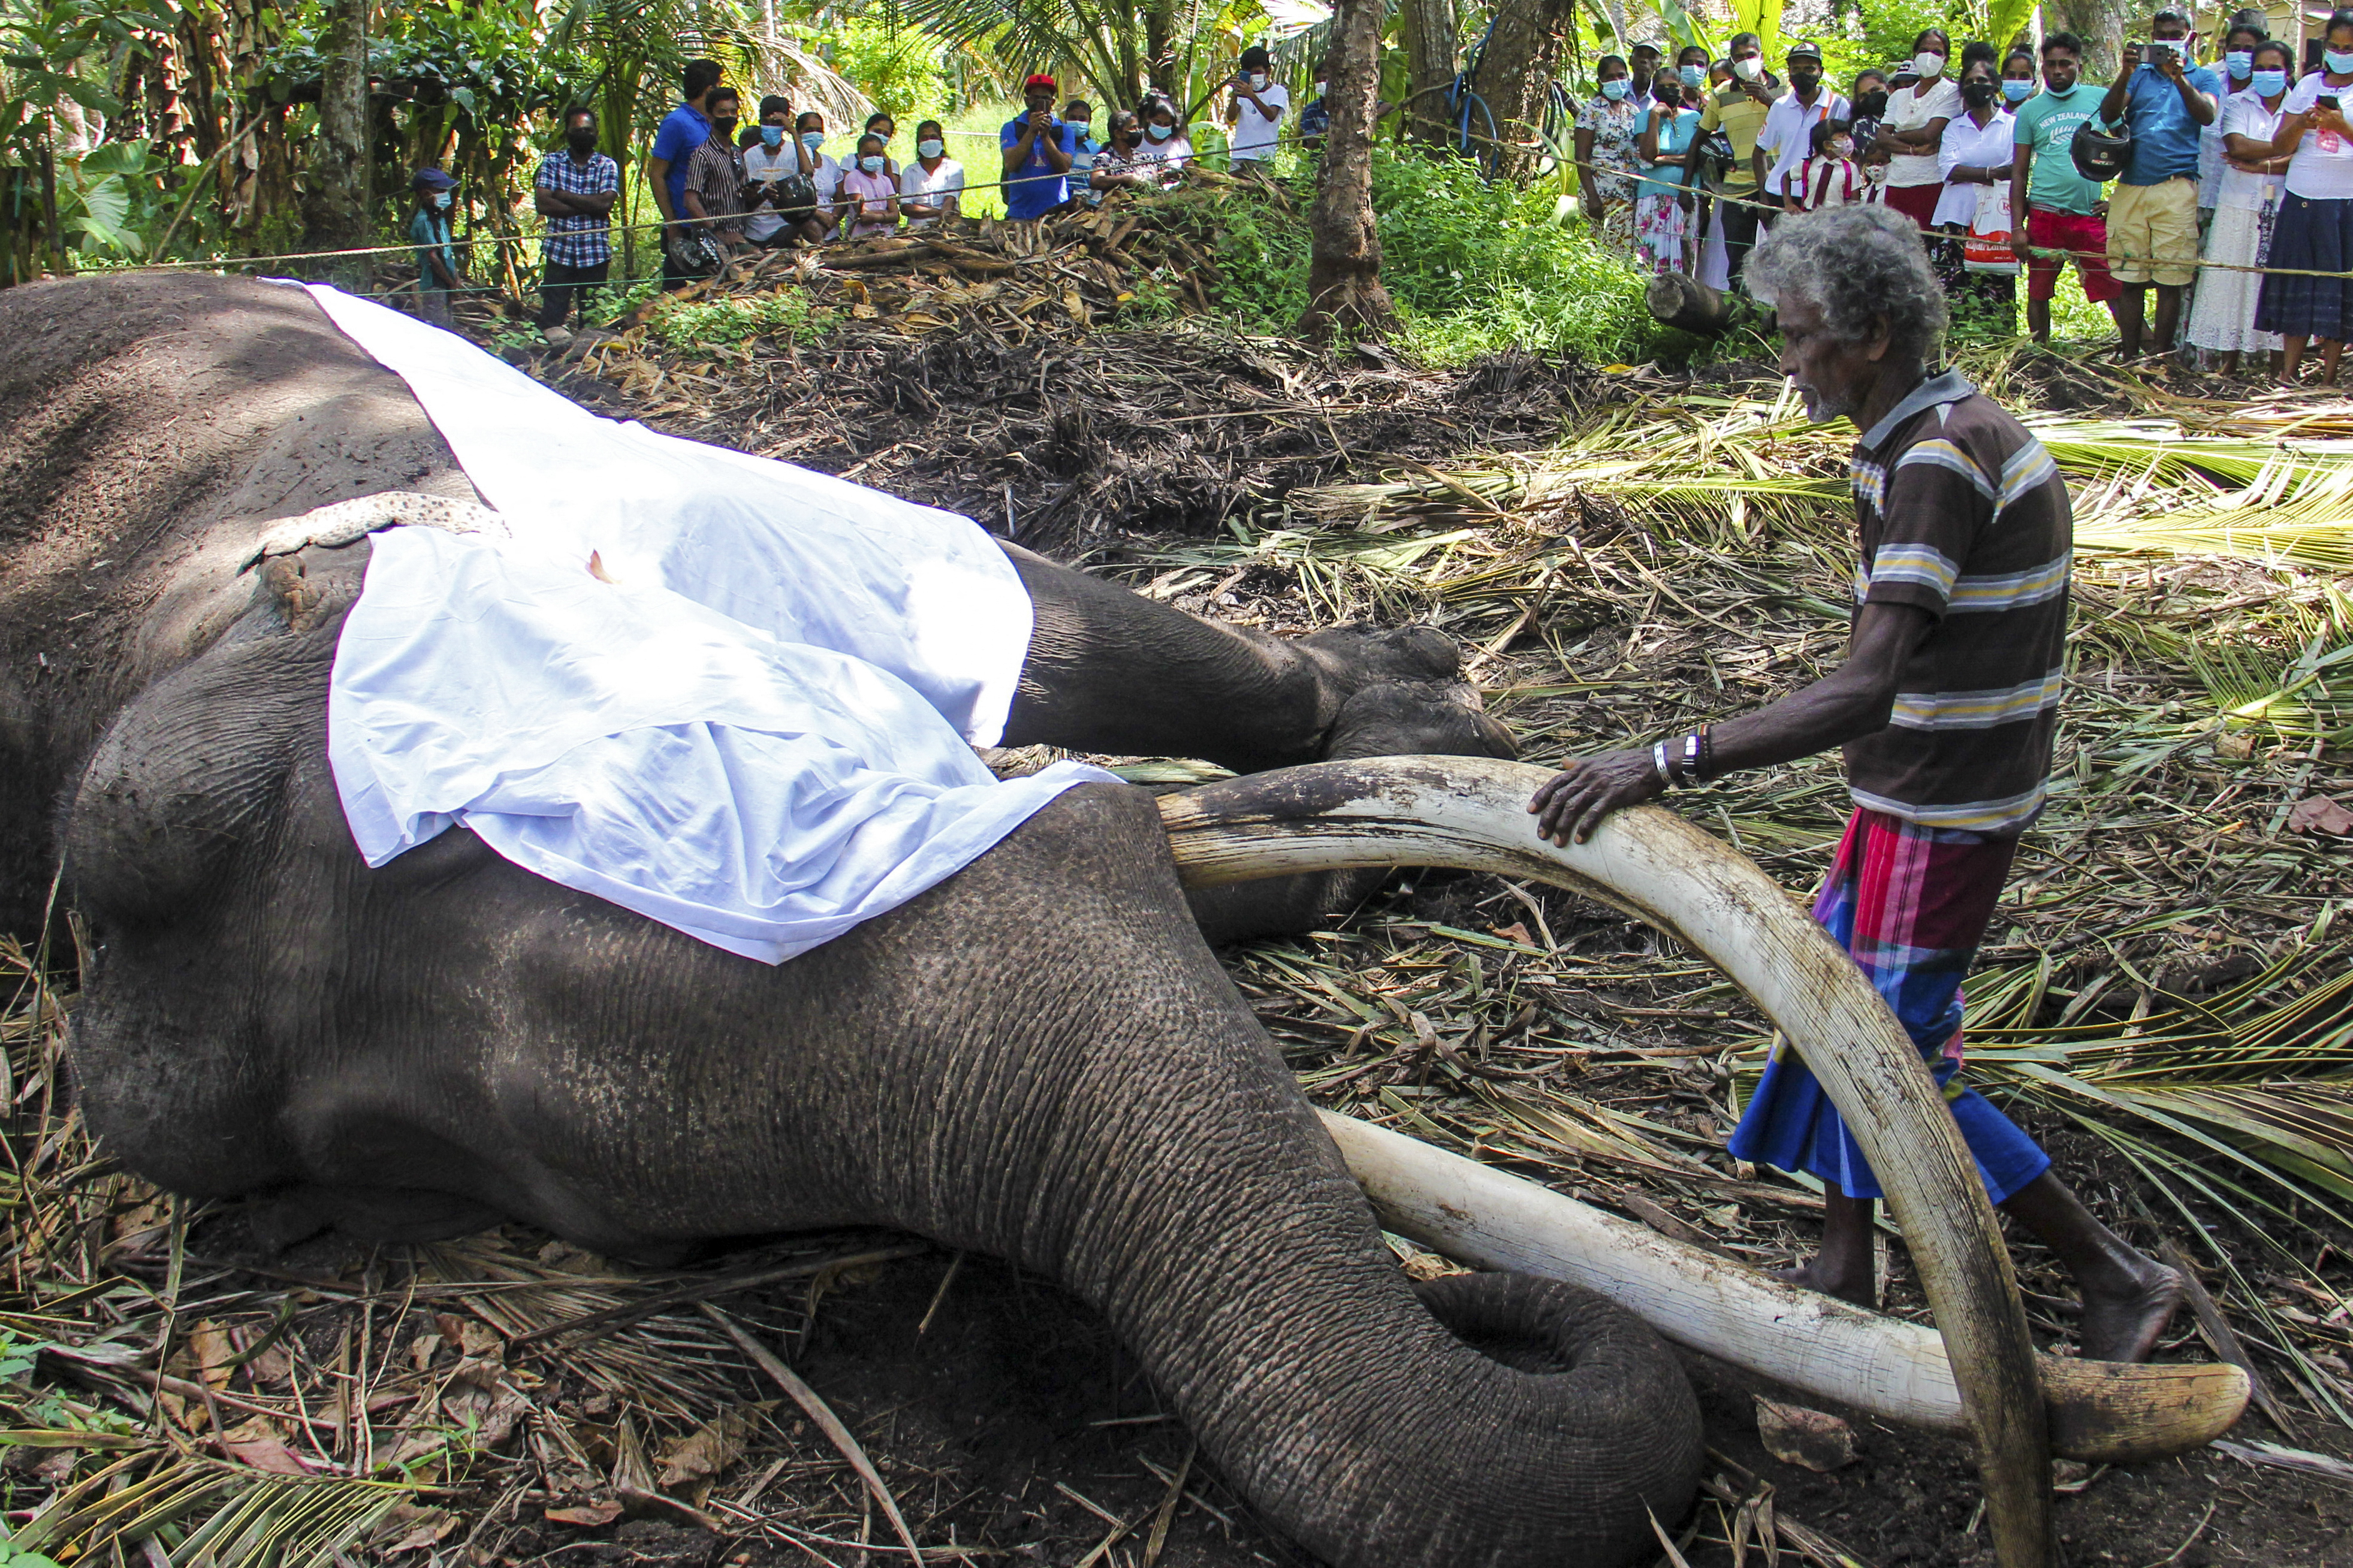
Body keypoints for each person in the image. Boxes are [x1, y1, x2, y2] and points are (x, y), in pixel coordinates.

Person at [1531, 204, 2188, 1367]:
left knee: (1891, 1063)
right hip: (1921, 791)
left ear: (1873, 333)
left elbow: (1866, 685)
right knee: (1831, 1007)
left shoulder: (1936, 461)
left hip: (1942, 805)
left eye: (1797, 338)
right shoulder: (1929, 431)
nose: (1785, 362)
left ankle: (2119, 1273)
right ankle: (1846, 1260)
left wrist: (1667, 760)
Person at [2098, 8, 2223, 359]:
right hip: (2131, 184)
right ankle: (2130, 356)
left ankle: (2162, 358)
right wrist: (2125, 73)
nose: (2167, 40)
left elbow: (2207, 115)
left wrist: (2180, 78)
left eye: (2175, 33)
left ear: (2190, 37)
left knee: (2172, 279)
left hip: (2177, 186)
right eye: (2161, 33)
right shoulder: (2138, 75)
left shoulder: (2204, 77)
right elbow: (2109, 114)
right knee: (2129, 276)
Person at [2252, 9, 2353, 382]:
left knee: (2336, 290)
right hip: (2300, 195)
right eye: (2336, 46)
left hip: (2345, 203)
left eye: (2350, 48)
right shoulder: (2309, 85)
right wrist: (2304, 124)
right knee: (2296, 282)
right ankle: (2288, 374)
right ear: (2325, 46)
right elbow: (2278, 144)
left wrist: (2341, 126)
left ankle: (2327, 378)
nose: (2342, 53)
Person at [2010, 32, 2123, 344]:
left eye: (2065, 64)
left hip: (2087, 215)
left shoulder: (2100, 99)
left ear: (2079, 65)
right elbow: (2019, 172)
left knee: (2113, 285)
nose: (2057, 71)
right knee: (2039, 290)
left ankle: (2137, 352)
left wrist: (2118, 200)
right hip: (2046, 213)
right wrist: (2017, 227)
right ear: (2042, 68)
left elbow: (2127, 148)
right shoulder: (2030, 111)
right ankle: (2040, 354)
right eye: (2051, 65)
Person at [2189, 38, 2290, 374]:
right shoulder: (2235, 103)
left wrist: (2265, 164)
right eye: (2260, 68)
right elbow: (2237, 146)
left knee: (2273, 282)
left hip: (2283, 208)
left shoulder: (2300, 108)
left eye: (2274, 68)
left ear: (2288, 72)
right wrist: (2282, 151)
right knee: (2232, 282)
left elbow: (2302, 153)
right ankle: (2228, 363)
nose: (2266, 74)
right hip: (2235, 205)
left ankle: (2277, 366)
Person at [1937, 55, 2023, 336]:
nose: (1976, 86)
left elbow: (2015, 169)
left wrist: (1972, 172)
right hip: (1955, 217)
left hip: (1996, 220)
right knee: (1953, 287)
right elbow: (1948, 170)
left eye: (1982, 81)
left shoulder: (2012, 125)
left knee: (1996, 287)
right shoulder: (1954, 127)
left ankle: (1998, 345)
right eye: (1970, 82)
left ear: (1996, 86)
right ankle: (1955, 348)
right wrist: (1990, 173)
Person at [532, 105, 619, 346]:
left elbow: (604, 204)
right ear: (568, 132)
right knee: (551, 319)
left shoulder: (607, 165)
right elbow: (543, 204)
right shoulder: (552, 162)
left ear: (596, 133)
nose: (583, 134)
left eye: (588, 130)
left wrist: (561, 194)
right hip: (560, 250)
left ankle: (585, 366)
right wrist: (588, 205)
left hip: (595, 254)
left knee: (591, 320)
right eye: (577, 130)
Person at [1699, 32, 1779, 284]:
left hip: (1777, 186)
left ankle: (1781, 319)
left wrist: (1770, 100)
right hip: (1736, 189)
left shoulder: (1785, 88)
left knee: (1785, 256)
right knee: (1737, 261)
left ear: (1762, 57)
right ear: (1732, 62)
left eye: (1751, 56)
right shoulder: (1722, 92)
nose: (1746, 61)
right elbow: (1701, 135)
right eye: (1739, 57)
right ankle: (1741, 320)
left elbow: (1798, 129)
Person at [645, 59, 725, 289]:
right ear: (710, 90)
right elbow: (657, 174)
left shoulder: (712, 123)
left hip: (713, 224)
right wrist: (672, 223)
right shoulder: (677, 123)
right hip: (686, 227)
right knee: (677, 292)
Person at [1877, 28, 1961, 229]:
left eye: (1937, 52)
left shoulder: (1951, 92)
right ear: (1915, 55)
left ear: (1946, 59)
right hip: (1897, 182)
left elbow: (1929, 134)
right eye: (1924, 51)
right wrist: (1912, 149)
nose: (1929, 57)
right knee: (1896, 247)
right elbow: (1881, 137)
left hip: (1932, 182)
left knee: (1927, 245)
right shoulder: (1899, 96)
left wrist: (1896, 136)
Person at [1763, 42, 1850, 213]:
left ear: (1821, 72)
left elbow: (1848, 151)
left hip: (1821, 196)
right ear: (1789, 72)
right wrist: (1763, 196)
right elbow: (1760, 149)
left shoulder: (1838, 105)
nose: (1802, 74)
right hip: (1780, 194)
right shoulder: (1780, 106)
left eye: (1809, 69)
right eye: (1796, 69)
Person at [2200, 16, 2268, 227]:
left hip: (2242, 197)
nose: (2241, 54)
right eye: (2236, 48)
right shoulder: (2207, 78)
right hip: (2197, 192)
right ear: (2225, 50)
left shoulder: (2269, 91)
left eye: (2249, 49)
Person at [1635, 72, 1701, 274]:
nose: (1668, 91)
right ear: (1654, 91)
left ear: (1682, 88)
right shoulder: (1644, 117)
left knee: (1686, 254)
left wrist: (1662, 160)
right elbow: (1648, 154)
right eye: (1662, 87)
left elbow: (1698, 157)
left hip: (1687, 195)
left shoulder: (1694, 118)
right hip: (1653, 196)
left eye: (1673, 86)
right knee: (1652, 260)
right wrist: (1655, 116)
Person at [1575, 55, 1647, 238]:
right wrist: (1592, 197)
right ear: (1601, 82)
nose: (1617, 81)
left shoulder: (1633, 111)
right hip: (1599, 193)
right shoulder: (1591, 111)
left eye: (1621, 76)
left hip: (1626, 194)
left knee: (1622, 251)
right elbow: (1581, 157)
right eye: (1610, 77)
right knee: (1595, 251)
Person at [681, 85, 746, 259]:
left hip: (739, 237)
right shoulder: (702, 154)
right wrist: (717, 232)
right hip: (713, 244)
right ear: (710, 116)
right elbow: (690, 200)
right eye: (723, 112)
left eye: (733, 112)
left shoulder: (738, 153)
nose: (730, 117)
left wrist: (761, 195)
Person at [1002, 73, 1076, 220]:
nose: (1040, 102)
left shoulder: (1064, 130)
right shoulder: (1012, 128)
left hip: (1056, 212)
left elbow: (1064, 168)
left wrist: (1045, 137)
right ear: (1027, 101)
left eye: (1045, 98)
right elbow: (1011, 164)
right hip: (1020, 213)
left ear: (1052, 102)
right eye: (1036, 98)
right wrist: (1031, 131)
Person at [740, 96, 809, 250]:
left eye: (777, 123)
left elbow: (807, 173)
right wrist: (763, 195)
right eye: (766, 123)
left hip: (786, 229)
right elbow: (746, 198)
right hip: (755, 231)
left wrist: (793, 132)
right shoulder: (750, 155)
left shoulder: (797, 151)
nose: (771, 127)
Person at [408, 167, 460, 328]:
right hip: (434, 283)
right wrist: (451, 282)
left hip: (445, 282)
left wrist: (455, 277)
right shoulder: (424, 221)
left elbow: (446, 253)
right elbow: (433, 258)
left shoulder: (438, 217)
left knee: (448, 324)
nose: (445, 194)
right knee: (438, 328)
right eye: (440, 191)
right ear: (426, 194)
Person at [1226, 45, 1289, 171]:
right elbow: (1231, 117)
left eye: (1257, 72)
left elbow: (1271, 116)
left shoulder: (1278, 92)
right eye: (1249, 73)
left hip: (1263, 157)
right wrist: (1235, 93)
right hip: (1240, 154)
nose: (1253, 77)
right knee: (1236, 190)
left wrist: (1251, 96)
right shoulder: (1243, 92)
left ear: (1268, 72)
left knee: (1262, 189)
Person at [900, 120, 965, 229]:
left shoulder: (954, 169)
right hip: (915, 231)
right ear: (918, 143)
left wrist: (941, 216)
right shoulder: (910, 171)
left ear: (941, 141)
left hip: (946, 228)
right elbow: (906, 208)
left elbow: (949, 202)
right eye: (924, 138)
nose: (929, 141)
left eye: (933, 137)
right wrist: (939, 212)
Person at [1791, 117, 1863, 210]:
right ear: (1828, 145)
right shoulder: (1808, 165)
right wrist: (1789, 204)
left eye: (1847, 135)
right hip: (1810, 215)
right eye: (1842, 136)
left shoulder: (1850, 168)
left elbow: (1855, 200)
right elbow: (1786, 178)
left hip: (1837, 217)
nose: (1847, 139)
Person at [837, 133, 900, 238]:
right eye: (868, 154)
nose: (874, 158)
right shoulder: (853, 178)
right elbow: (863, 215)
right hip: (861, 238)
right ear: (859, 156)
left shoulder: (886, 180)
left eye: (878, 154)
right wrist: (887, 214)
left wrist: (876, 216)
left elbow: (896, 215)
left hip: (887, 237)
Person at [794, 111, 843, 241]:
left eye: (818, 130)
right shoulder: (792, 160)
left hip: (832, 232)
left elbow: (841, 200)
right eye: (809, 130)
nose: (815, 134)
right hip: (804, 232)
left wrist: (832, 220)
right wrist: (819, 215)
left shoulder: (831, 163)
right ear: (799, 133)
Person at [1063, 100, 1102, 207]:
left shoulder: (1097, 151)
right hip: (1058, 207)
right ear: (1065, 119)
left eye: (1082, 119)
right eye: (1073, 118)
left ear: (1089, 121)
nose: (1077, 122)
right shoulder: (1057, 148)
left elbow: (1100, 187)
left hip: (1085, 208)